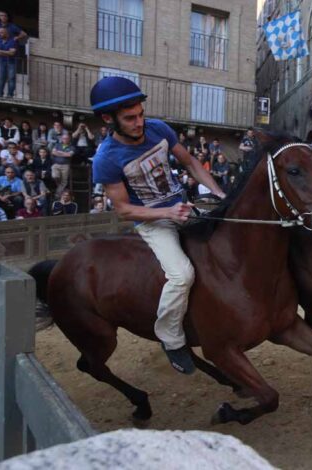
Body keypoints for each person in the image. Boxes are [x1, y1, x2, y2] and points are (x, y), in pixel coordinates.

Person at [90, 76, 226, 374]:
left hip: (183, 207)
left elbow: (190, 163)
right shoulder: (106, 159)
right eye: (130, 118)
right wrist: (166, 214)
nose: (139, 123)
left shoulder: (159, 130)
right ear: (108, 119)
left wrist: (219, 194)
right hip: (152, 222)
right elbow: (124, 210)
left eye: (140, 114)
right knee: (181, 274)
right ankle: (171, 337)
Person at [0, 27, 18, 98]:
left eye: (1, 32)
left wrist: (0, 51)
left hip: (11, 62)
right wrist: (6, 52)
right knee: (0, 78)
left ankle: (10, 95)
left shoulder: (13, 41)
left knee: (11, 79)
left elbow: (12, 53)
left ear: (6, 33)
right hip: (1, 62)